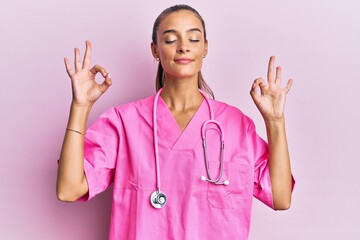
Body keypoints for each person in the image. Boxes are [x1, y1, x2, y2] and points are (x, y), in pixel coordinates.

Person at [56, 4, 295, 240]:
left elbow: (281, 197)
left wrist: (275, 121)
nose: (183, 47)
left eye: (193, 39)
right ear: (155, 50)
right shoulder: (123, 123)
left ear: (205, 48)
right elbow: (69, 189)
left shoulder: (236, 125)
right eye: (171, 40)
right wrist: (80, 106)